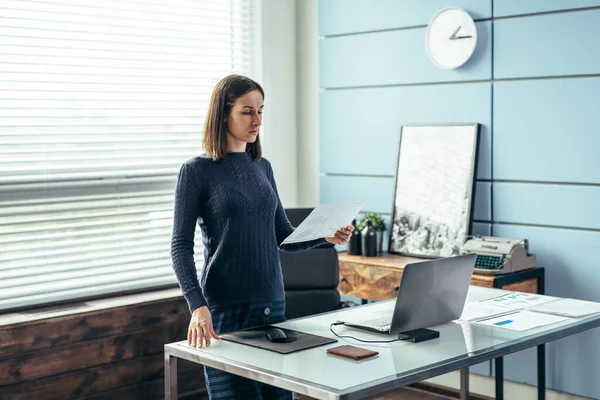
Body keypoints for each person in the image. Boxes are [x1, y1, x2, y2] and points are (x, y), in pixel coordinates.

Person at [170, 74, 353, 400]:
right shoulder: (196, 171)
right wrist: (197, 305)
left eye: (261, 111)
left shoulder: (262, 167)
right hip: (224, 308)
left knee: (279, 397)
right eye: (247, 111)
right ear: (223, 113)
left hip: (270, 303)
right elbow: (180, 247)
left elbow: (283, 235)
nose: (257, 121)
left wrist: (325, 236)